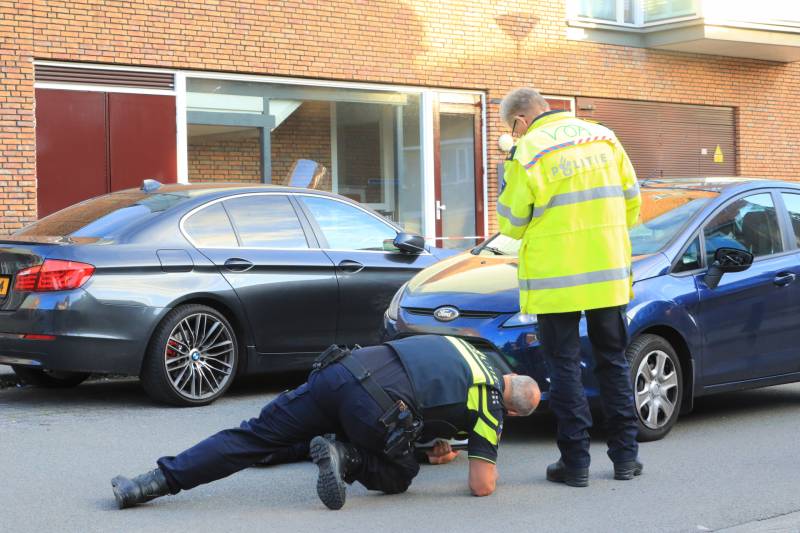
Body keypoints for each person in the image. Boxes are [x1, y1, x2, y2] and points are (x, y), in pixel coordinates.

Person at [111, 335, 541, 509]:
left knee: (250, 437)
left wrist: (432, 446)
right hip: (373, 408)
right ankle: (345, 455)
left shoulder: (467, 348)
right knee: (401, 470)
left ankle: (147, 484)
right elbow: (481, 484)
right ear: (515, 410)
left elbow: (422, 383)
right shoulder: (490, 405)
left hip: (338, 372)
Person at [497, 87, 643, 487]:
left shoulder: (528, 151)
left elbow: (510, 222)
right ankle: (625, 458)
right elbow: (633, 201)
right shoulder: (604, 136)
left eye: (512, 128)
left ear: (520, 121)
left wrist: (508, 166)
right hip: (606, 274)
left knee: (564, 369)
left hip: (555, 280)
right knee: (613, 362)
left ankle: (575, 463)